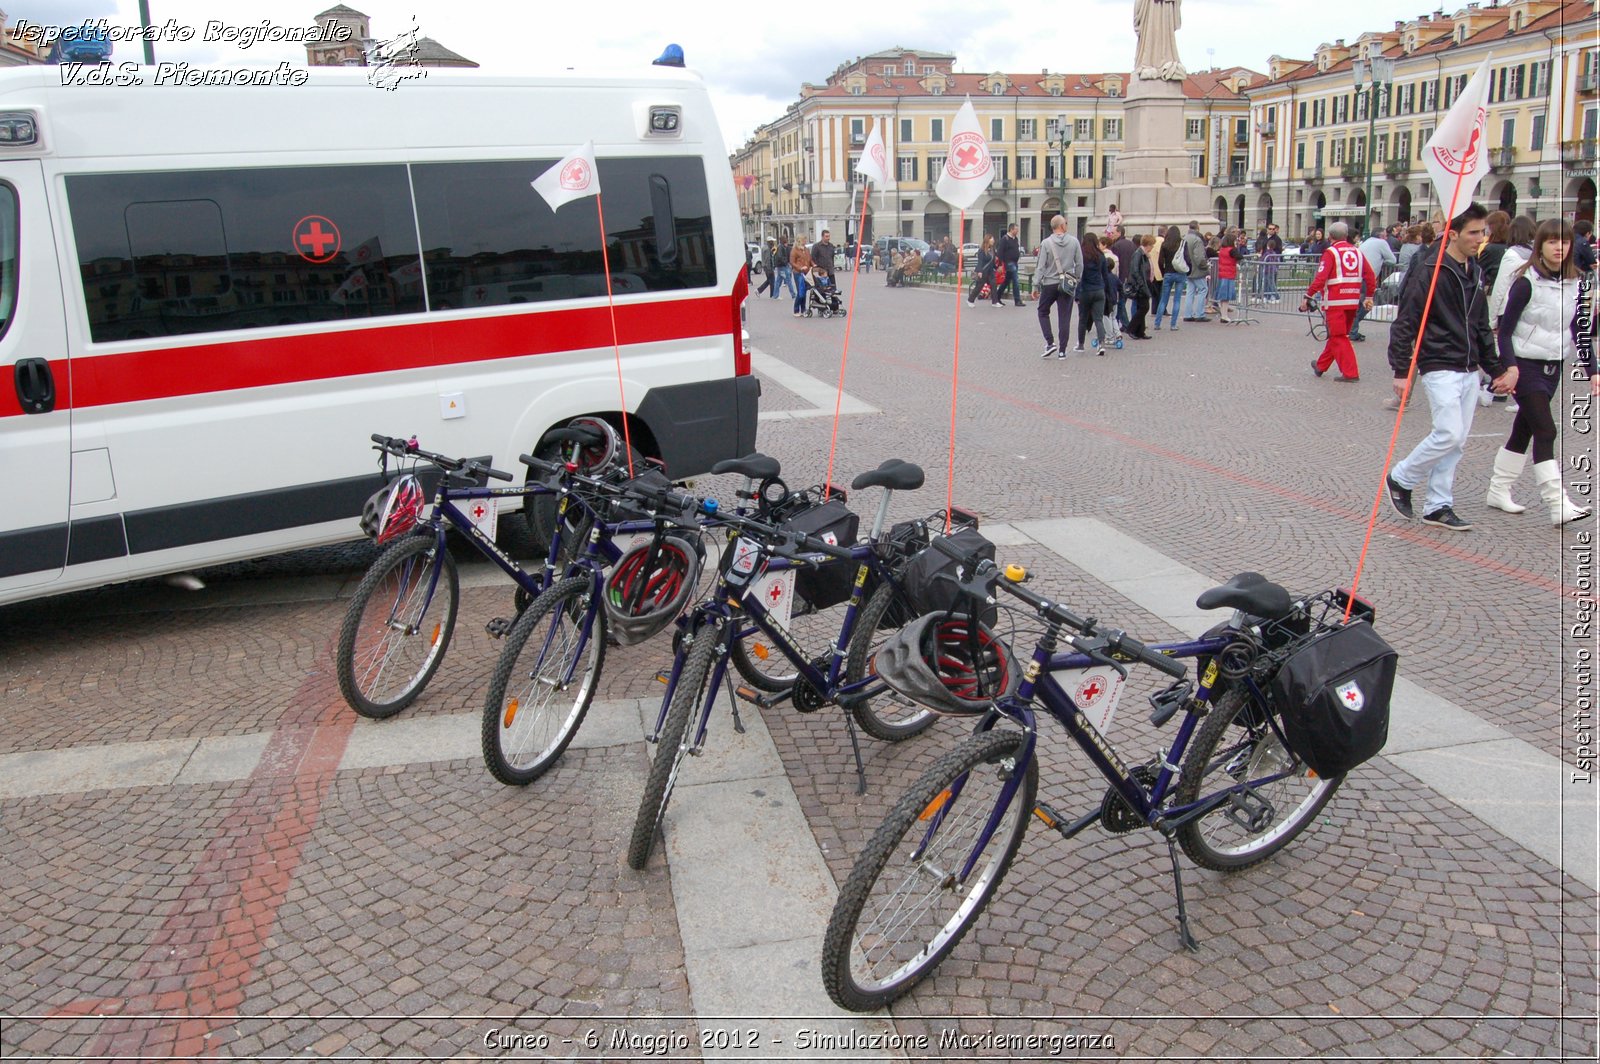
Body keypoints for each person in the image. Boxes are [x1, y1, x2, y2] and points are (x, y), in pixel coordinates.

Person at [1384, 202, 1518, 532]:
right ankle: (1400, 477)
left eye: (1483, 231)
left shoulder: (1474, 270)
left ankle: (1438, 504)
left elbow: (1480, 326)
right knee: (1448, 432)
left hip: (1469, 366)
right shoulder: (1430, 269)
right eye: (1474, 233)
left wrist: (1496, 368)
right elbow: (1406, 321)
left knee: (1456, 442)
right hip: (1439, 361)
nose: (1480, 238)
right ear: (1454, 234)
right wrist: (1402, 370)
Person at [1486, 218, 1597, 523]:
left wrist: (1593, 369)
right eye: (1551, 242)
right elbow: (1505, 331)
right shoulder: (1526, 282)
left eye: (1564, 242)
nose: (1558, 247)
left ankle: (1498, 489)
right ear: (1540, 246)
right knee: (1546, 430)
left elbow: (1579, 328)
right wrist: (1509, 367)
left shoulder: (1575, 282)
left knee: (1524, 428)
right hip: (1524, 364)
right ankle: (1556, 503)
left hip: (1553, 364)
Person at [1303, 221, 1377, 382]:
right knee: (1339, 335)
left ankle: (1351, 373)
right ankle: (1321, 365)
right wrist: (1369, 296)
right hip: (1352, 300)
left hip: (1335, 301)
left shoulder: (1331, 253)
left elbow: (1320, 278)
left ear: (1329, 237)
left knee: (1338, 337)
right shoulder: (1357, 252)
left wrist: (1308, 296)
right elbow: (1370, 276)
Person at [1032, 213, 1082, 359]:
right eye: (1065, 223)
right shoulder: (1074, 241)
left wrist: (1036, 285)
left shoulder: (1046, 243)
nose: (1066, 225)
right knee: (1064, 316)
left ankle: (1050, 342)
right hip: (1067, 282)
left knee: (1042, 311)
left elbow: (1040, 266)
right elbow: (1079, 264)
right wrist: (1076, 279)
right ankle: (1062, 350)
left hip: (1050, 283)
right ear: (1061, 225)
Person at [1350, 227, 1398, 341]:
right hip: (1367, 278)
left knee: (1359, 304)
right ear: (1381, 236)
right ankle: (1352, 330)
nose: (1387, 238)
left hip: (1357, 276)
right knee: (1366, 304)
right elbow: (1393, 260)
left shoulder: (1366, 242)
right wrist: (1382, 261)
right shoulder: (1382, 243)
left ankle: (1351, 327)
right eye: (1385, 236)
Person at [1074, 232, 1113, 353]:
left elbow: (1079, 276)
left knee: (1083, 319)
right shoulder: (1100, 255)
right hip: (1099, 290)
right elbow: (1105, 276)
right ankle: (1101, 344)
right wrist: (1107, 290)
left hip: (1085, 290)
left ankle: (1080, 344)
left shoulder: (1082, 256)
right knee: (1098, 319)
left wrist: (1077, 294)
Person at [1153, 225, 1186, 331]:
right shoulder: (1182, 244)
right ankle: (1173, 324)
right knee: (1177, 300)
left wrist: (1163, 272)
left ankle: (1157, 323)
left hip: (1168, 272)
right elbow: (1188, 259)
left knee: (1163, 299)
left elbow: (1160, 261)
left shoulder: (1165, 244)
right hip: (1180, 273)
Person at [1126, 234, 1156, 339]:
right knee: (1144, 307)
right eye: (1152, 245)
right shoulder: (1138, 254)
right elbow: (1134, 270)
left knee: (1142, 306)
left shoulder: (1144, 254)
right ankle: (1131, 328)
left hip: (1145, 283)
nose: (1152, 248)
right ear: (1148, 245)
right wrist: (1141, 283)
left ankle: (1140, 331)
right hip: (1141, 284)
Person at [1214, 228, 1245, 324]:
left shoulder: (1222, 249)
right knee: (1226, 297)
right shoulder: (1232, 250)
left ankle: (1223, 314)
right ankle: (1224, 315)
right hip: (1228, 274)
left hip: (1222, 274)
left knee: (1223, 297)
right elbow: (1240, 256)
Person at [1180, 220, 1208, 321]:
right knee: (1203, 289)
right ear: (1198, 227)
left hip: (1187, 267)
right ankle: (1200, 313)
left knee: (1190, 291)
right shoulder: (1197, 239)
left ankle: (1188, 314)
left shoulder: (1184, 238)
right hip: (1197, 268)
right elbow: (1199, 257)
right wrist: (1205, 266)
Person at [1110, 225, 1138, 324]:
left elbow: (1115, 264)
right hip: (1130, 276)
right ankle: (1118, 323)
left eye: (1113, 233)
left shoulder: (1115, 246)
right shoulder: (1132, 245)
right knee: (1122, 301)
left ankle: (1126, 324)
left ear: (1119, 233)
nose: (1111, 235)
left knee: (1120, 302)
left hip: (1120, 276)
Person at [995, 222, 1024, 306]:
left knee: (1006, 281)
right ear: (1011, 229)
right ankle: (1017, 300)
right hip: (1009, 262)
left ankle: (997, 296)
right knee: (1016, 280)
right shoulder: (1005, 239)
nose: (1017, 231)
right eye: (1016, 229)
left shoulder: (1015, 239)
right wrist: (1000, 264)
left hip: (1015, 262)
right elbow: (1000, 252)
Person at [966, 234, 997, 306]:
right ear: (988, 240)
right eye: (992, 239)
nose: (993, 240)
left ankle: (995, 302)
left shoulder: (992, 249)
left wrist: (996, 267)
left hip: (990, 271)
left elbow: (992, 260)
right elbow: (980, 261)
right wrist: (980, 271)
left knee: (993, 284)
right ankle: (970, 300)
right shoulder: (981, 250)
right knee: (979, 286)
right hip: (983, 271)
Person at [1258, 222, 1284, 303]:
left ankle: (1275, 296)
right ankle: (1266, 296)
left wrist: (1272, 255)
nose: (1272, 230)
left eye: (1273, 229)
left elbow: (1279, 250)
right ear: (1267, 229)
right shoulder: (1264, 237)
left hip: (1271, 263)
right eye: (1270, 229)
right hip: (1264, 262)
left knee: (1270, 280)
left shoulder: (1277, 239)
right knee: (1264, 280)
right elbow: (1261, 246)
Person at [789, 236, 812, 317]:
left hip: (806, 272)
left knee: (804, 291)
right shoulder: (794, 250)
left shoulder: (806, 249)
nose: (805, 241)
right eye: (804, 239)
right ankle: (796, 309)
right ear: (799, 240)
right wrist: (800, 267)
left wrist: (813, 264)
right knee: (800, 291)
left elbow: (810, 259)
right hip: (798, 272)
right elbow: (792, 262)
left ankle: (803, 309)